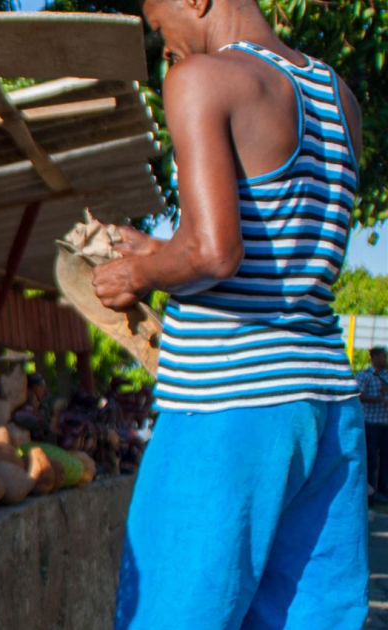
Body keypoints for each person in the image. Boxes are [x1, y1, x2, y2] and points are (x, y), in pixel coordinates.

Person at [90, 0, 366, 626]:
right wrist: (163, 253)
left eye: (162, 26)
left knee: (174, 613)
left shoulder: (202, 80)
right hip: (325, 406)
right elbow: (283, 259)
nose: (167, 47)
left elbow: (215, 253)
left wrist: (136, 272)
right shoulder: (340, 97)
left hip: (228, 405)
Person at [360, 347, 388, 502]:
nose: (385, 359)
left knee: (385, 458)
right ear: (375, 357)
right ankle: (370, 493)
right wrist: (379, 398)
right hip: (371, 423)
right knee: (371, 458)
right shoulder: (365, 375)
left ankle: (384, 490)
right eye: (383, 356)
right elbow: (359, 395)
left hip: (385, 422)